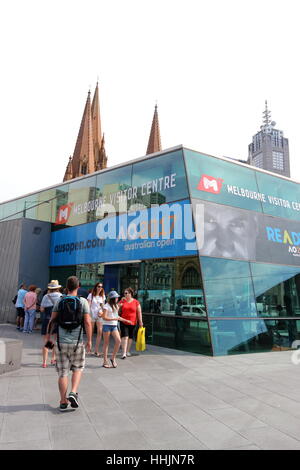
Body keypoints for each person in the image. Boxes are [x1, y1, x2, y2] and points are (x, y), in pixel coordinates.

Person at [45, 276, 92, 411]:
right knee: (78, 368)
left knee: (63, 373)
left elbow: (52, 320)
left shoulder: (60, 301)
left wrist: (49, 338)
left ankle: (63, 400)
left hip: (60, 343)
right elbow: (88, 323)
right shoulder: (83, 301)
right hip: (77, 342)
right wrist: (89, 341)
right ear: (78, 287)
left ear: (66, 287)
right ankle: (74, 392)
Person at [101, 291, 133, 368]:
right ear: (113, 298)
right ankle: (105, 361)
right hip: (107, 325)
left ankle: (112, 358)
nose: (117, 298)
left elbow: (117, 317)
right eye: (116, 297)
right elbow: (104, 317)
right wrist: (114, 318)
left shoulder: (116, 306)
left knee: (118, 341)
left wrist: (126, 320)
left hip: (114, 326)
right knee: (106, 343)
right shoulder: (106, 306)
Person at [40, 280, 62, 368]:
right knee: (56, 340)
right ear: (57, 288)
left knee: (47, 341)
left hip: (47, 319)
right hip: (57, 320)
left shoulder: (46, 296)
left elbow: (41, 309)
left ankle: (44, 362)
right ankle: (53, 358)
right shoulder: (61, 296)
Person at [119, 288, 143, 359]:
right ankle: (124, 353)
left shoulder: (136, 302)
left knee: (130, 337)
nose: (125, 294)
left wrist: (140, 321)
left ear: (130, 294)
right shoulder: (122, 301)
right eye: (124, 293)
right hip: (123, 321)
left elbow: (139, 312)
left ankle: (127, 351)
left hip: (133, 322)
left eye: (126, 293)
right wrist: (120, 302)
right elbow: (116, 307)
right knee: (125, 336)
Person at [87, 282, 105, 356]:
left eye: (101, 287)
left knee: (100, 332)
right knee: (90, 332)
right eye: (98, 286)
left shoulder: (102, 296)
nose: (100, 288)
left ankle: (96, 350)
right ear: (95, 287)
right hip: (92, 314)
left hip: (99, 315)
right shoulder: (91, 295)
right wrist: (87, 315)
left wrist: (102, 312)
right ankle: (89, 347)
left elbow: (103, 306)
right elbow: (88, 306)